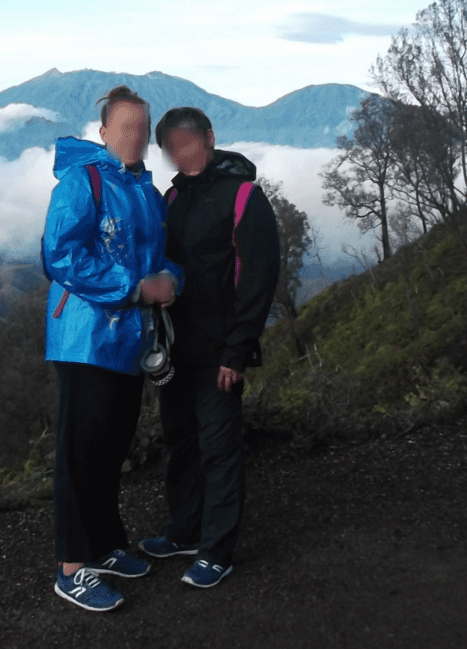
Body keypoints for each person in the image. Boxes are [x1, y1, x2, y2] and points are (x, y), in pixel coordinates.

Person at [42, 85, 183, 612]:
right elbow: (60, 255)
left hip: (127, 340)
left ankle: (103, 546)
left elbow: (161, 261)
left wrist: (172, 280)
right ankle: (71, 568)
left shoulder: (144, 189)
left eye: (143, 130)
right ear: (102, 133)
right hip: (84, 339)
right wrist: (134, 287)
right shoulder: (83, 181)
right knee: (81, 453)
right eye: (126, 128)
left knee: (109, 447)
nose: (136, 137)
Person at [139, 106, 279, 589]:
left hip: (220, 352)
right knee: (181, 445)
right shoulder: (172, 197)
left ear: (210, 138)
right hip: (177, 349)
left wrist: (238, 351)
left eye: (189, 142)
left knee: (219, 449)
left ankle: (217, 550)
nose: (181, 153)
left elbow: (259, 278)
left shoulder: (244, 197)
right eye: (172, 147)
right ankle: (185, 531)